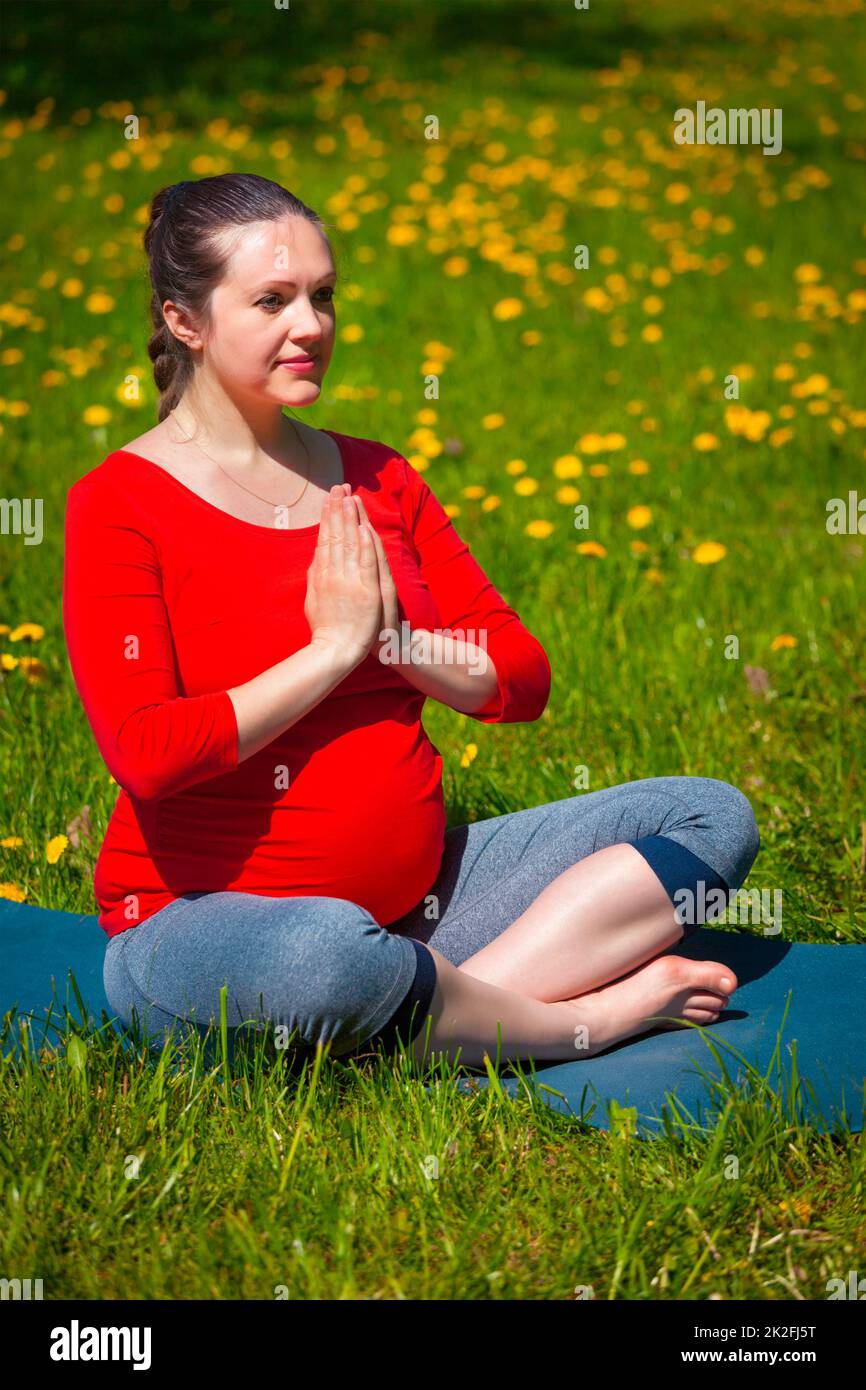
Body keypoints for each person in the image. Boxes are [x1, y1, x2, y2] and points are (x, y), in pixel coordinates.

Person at [62, 173, 760, 1071]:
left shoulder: (381, 476)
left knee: (709, 817)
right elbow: (147, 752)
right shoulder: (119, 503)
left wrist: (397, 644)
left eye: (322, 296)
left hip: (424, 904)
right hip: (208, 931)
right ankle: (579, 1022)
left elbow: (520, 679)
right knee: (323, 953)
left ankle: (434, 1011)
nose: (310, 326)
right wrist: (332, 652)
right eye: (271, 300)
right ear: (185, 321)